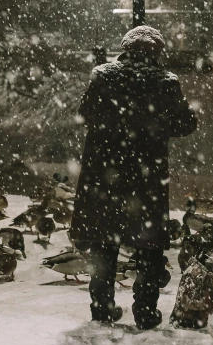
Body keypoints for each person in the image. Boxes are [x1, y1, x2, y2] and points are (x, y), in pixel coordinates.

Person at [70, 25, 197, 329]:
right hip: (145, 180)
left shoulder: (103, 76)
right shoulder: (165, 83)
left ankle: (102, 310)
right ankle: (145, 311)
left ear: (125, 48)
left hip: (106, 177)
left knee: (104, 243)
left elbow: (84, 114)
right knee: (149, 248)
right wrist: (154, 124)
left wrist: (113, 127)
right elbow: (186, 124)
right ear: (157, 53)